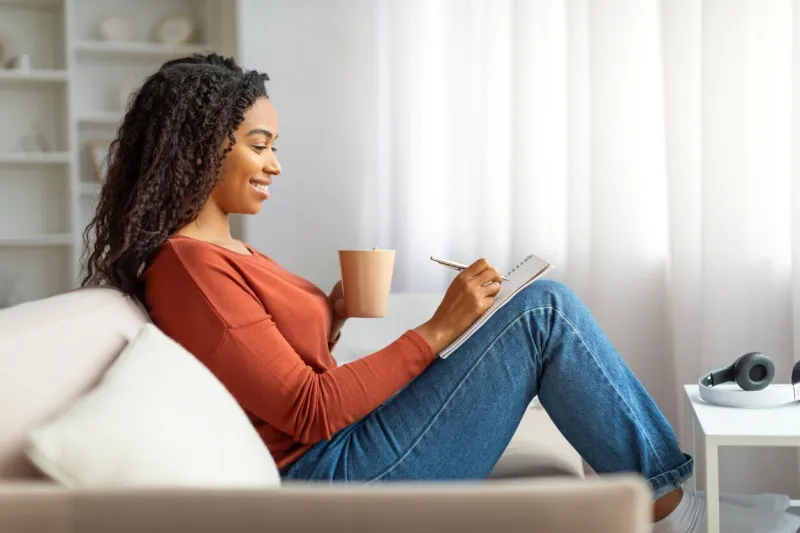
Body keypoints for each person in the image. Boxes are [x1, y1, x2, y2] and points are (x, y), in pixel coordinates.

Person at [81, 53, 799, 533]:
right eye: (260, 143)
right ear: (202, 144)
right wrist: (437, 328)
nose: (276, 163)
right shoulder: (188, 266)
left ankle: (677, 499)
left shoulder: (220, 250)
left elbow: (273, 371)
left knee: (541, 309)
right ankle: (680, 512)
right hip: (330, 478)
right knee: (544, 312)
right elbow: (309, 408)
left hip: (336, 450)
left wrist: (327, 314)